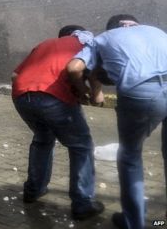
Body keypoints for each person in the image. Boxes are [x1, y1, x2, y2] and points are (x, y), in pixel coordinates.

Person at [67, 14, 167, 229]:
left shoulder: (103, 38)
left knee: (130, 157)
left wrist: (84, 90)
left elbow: (74, 68)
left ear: (113, 28)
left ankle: (133, 223)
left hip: (142, 94)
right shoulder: (156, 31)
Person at [12, 25, 104, 220]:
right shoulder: (87, 43)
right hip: (53, 97)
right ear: (79, 33)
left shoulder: (45, 44)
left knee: (43, 140)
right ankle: (82, 204)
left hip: (21, 95)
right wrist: (90, 92)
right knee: (81, 146)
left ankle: (33, 190)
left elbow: (15, 75)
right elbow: (85, 72)